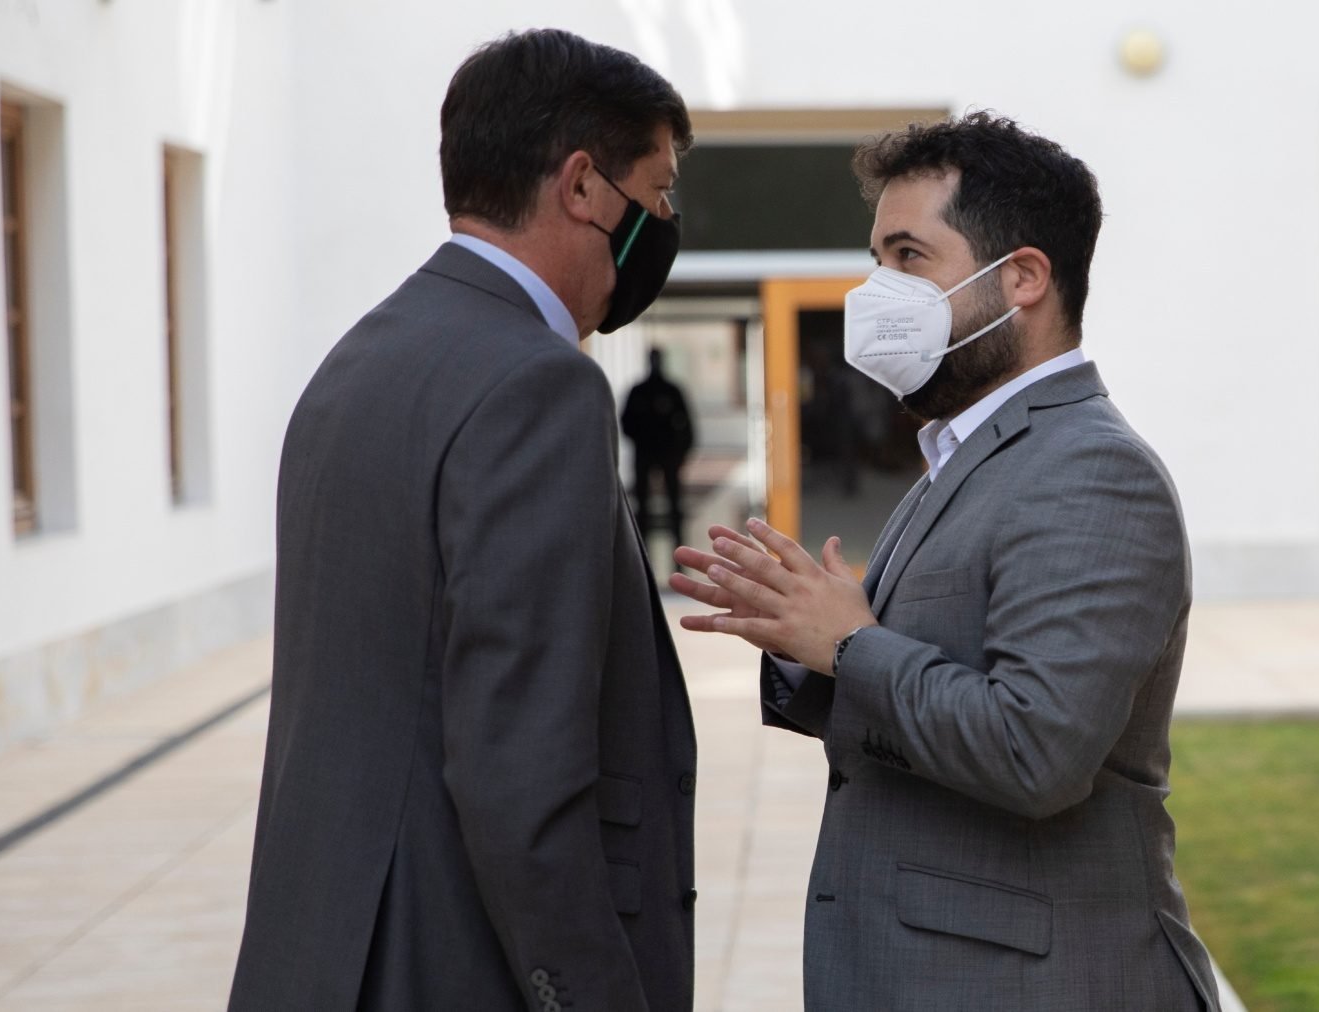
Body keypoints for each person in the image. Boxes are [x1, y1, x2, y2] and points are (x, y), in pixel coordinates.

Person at [672, 113, 1221, 1010]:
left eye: (907, 257)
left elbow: (1033, 751)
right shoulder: (963, 455)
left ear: (1026, 279)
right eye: (876, 258)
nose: (875, 290)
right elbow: (918, 696)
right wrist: (805, 636)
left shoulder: (1091, 470)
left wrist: (852, 645)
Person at [229, 30, 697, 1012]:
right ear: (582, 186)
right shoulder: (540, 385)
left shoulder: (361, 358)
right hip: (447, 962)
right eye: (656, 196)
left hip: (327, 951)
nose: (663, 225)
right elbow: (520, 775)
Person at [621, 347, 695, 550]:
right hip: (645, 453)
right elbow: (626, 422)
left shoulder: (671, 391)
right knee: (642, 502)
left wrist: (682, 452)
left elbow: (687, 423)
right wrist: (640, 439)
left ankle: (678, 544)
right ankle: (642, 545)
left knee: (674, 501)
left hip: (667, 453)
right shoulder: (639, 391)